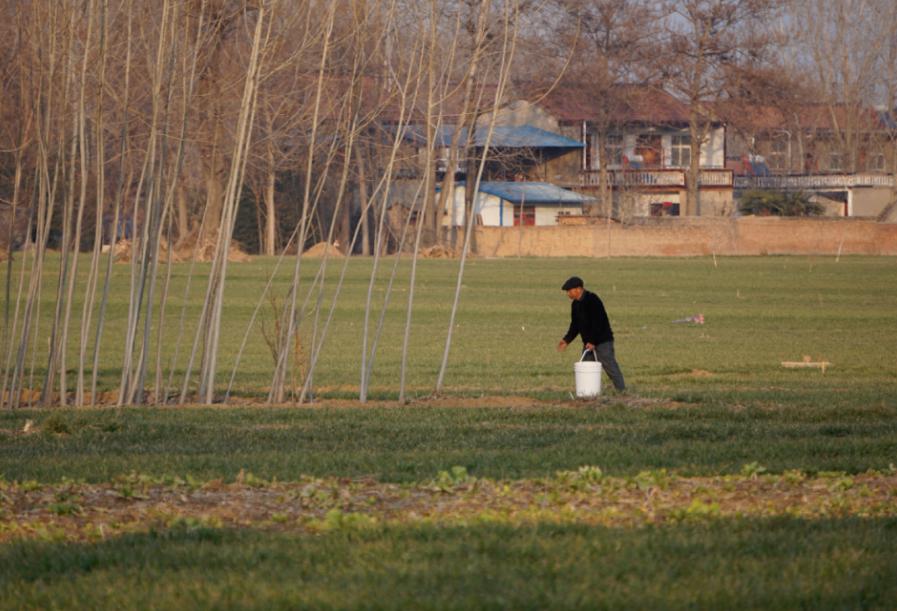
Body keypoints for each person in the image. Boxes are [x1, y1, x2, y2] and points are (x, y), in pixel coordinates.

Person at [556, 276, 626, 392]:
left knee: (611, 368)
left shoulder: (593, 300)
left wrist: (593, 341)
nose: (568, 294)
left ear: (578, 289)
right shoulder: (575, 305)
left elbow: (598, 322)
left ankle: (623, 392)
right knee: (586, 368)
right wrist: (566, 340)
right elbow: (575, 325)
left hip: (602, 341)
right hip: (588, 344)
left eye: (569, 291)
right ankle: (589, 394)